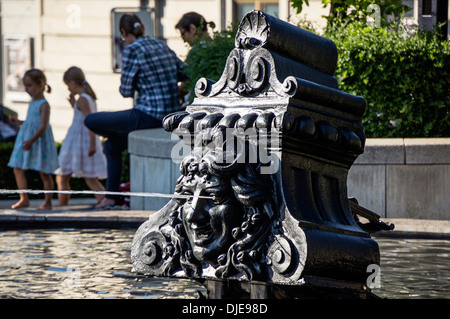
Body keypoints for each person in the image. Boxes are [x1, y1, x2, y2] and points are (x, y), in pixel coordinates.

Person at [84, 12, 186, 209]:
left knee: (90, 120)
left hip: (147, 115)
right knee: (112, 146)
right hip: (171, 114)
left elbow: (125, 91)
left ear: (123, 32)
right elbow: (184, 72)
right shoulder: (160, 44)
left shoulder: (131, 50)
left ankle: (110, 197)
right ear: (142, 28)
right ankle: (110, 198)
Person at [7, 69, 59, 210]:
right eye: (25, 86)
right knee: (18, 168)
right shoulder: (32, 103)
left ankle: (47, 202)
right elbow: (31, 122)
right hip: (27, 138)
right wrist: (19, 122)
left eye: (29, 85)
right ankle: (24, 198)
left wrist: (32, 140)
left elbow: (42, 126)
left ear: (41, 85)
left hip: (38, 141)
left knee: (44, 172)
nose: (27, 89)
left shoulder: (44, 104)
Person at [55, 66, 107, 206]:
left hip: (80, 142)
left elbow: (89, 122)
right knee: (88, 177)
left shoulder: (83, 99)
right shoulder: (87, 98)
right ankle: (105, 201)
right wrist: (73, 104)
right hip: (80, 140)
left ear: (72, 83)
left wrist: (91, 144)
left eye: (67, 85)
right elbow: (82, 116)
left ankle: (62, 207)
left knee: (63, 176)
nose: (68, 89)